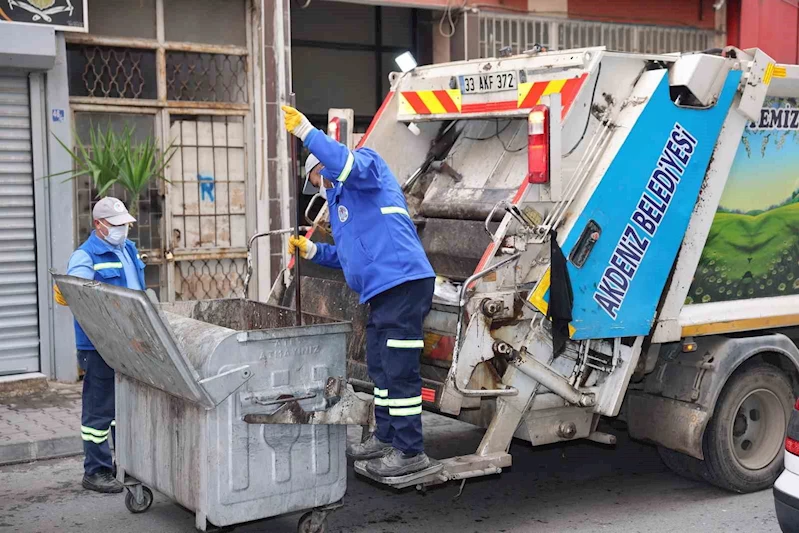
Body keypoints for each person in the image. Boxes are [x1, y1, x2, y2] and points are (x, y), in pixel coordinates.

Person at [282, 105, 436, 478]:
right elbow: (351, 256)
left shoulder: (366, 168)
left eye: (317, 176)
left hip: (402, 281)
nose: (319, 184)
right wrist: (315, 251)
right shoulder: (339, 204)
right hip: (381, 290)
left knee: (398, 370)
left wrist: (306, 132)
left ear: (324, 165)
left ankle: (409, 450)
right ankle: (386, 437)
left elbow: (345, 163)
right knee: (381, 367)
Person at [53, 197, 145, 493]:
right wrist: (66, 288)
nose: (123, 230)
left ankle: (122, 464)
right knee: (99, 411)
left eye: (125, 224)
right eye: (116, 225)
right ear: (99, 225)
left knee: (123, 409)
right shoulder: (85, 256)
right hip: (99, 346)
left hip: (128, 342)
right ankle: (96, 470)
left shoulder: (128, 250)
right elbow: (77, 296)